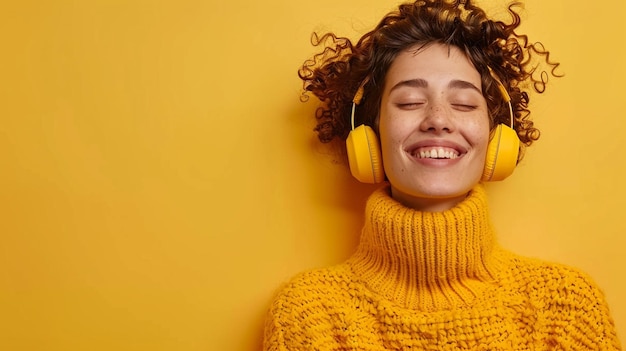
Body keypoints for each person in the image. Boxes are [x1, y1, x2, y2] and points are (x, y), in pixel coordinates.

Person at [263, 0, 622, 349]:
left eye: (464, 104)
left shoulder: (564, 306)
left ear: (497, 135)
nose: (437, 119)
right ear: (370, 133)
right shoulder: (309, 312)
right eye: (409, 102)